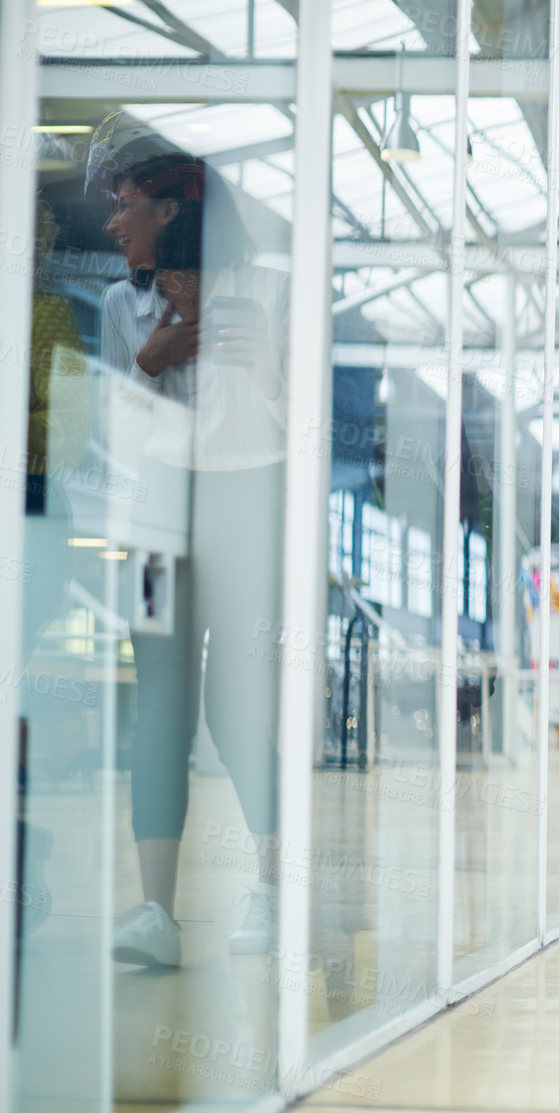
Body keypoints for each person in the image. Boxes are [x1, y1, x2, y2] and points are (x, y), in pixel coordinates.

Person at [95, 135, 291, 968]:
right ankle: (154, 912)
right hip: (155, 517)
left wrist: (268, 371)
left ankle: (274, 888)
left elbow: (309, 429)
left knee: (237, 703)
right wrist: (148, 365)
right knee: (160, 708)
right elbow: (111, 439)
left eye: (125, 203)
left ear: (171, 209)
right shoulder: (119, 307)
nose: (112, 223)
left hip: (249, 500)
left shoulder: (271, 292)